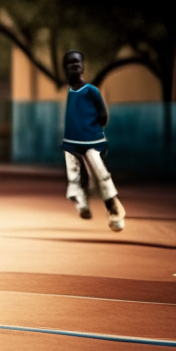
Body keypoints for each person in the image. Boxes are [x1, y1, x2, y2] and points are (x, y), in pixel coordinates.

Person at [61, 50, 126, 232]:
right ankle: (81, 200)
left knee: (100, 172)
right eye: (70, 63)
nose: (74, 65)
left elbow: (103, 115)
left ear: (83, 66)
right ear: (65, 69)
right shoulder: (69, 92)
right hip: (71, 142)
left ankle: (113, 207)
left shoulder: (91, 90)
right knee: (73, 174)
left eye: (77, 62)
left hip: (90, 141)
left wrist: (92, 132)